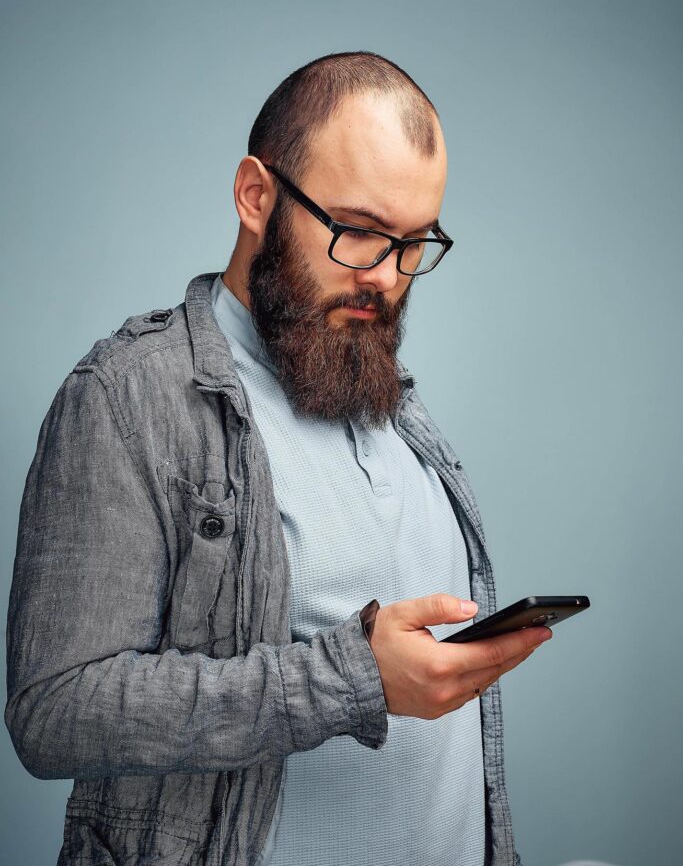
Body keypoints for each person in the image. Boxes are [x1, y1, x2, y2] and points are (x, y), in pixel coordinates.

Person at [5, 51, 600, 866]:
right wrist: (349, 678)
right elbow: (54, 712)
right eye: (357, 232)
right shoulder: (127, 397)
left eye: (414, 242)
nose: (387, 278)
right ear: (256, 196)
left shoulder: (387, 395)